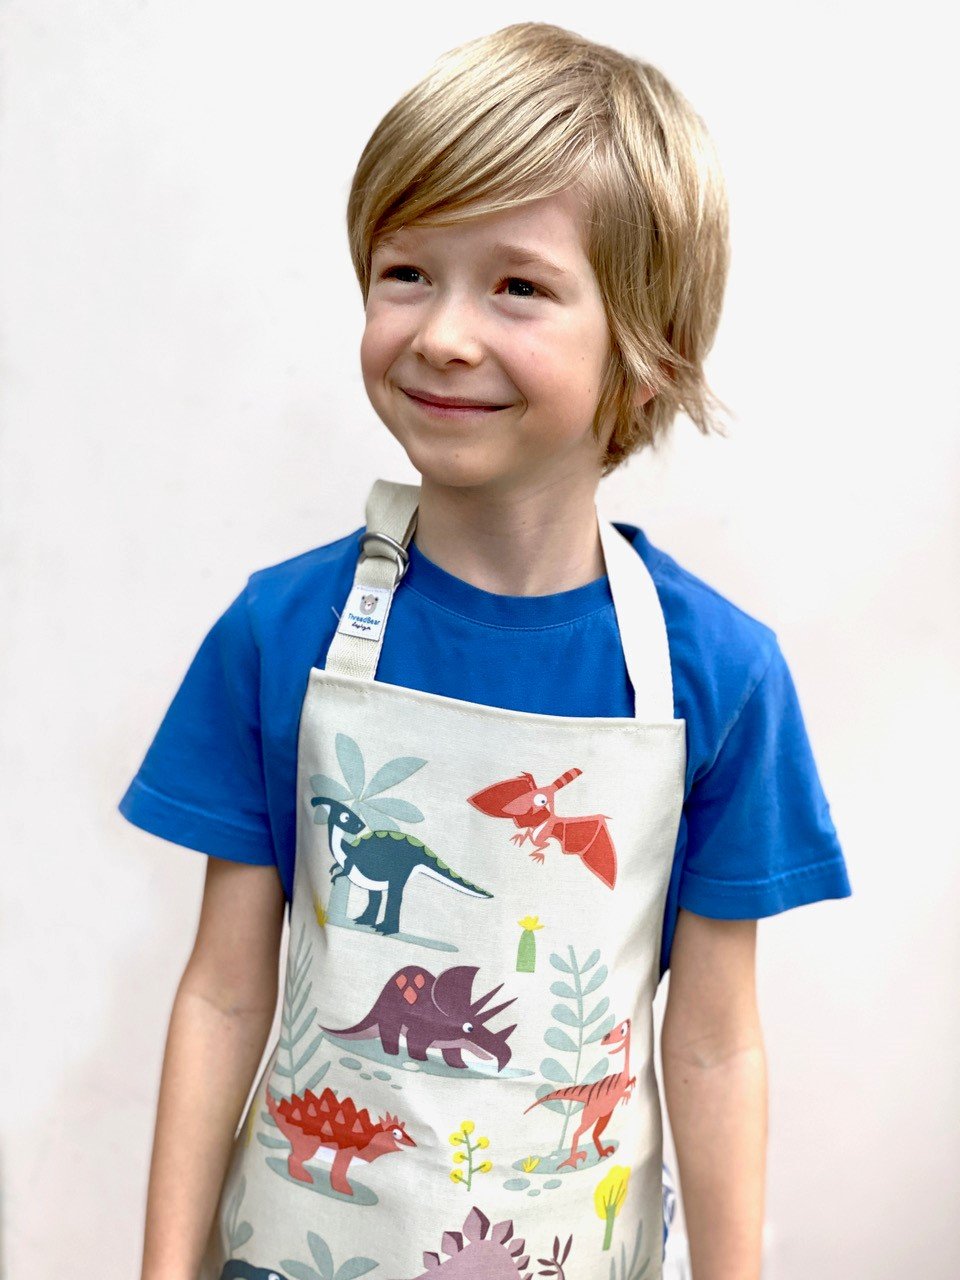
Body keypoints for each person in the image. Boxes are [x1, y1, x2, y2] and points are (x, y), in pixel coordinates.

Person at [118, 22, 852, 1280]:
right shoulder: (277, 632)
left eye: (517, 284)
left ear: (643, 352)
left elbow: (718, 1042)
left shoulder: (719, 676)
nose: (444, 333)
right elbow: (225, 991)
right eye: (407, 271)